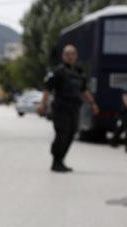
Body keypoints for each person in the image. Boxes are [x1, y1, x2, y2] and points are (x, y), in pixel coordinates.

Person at [37, 44, 100, 172]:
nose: (70, 56)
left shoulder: (79, 72)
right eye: (67, 54)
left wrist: (93, 104)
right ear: (63, 56)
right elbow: (48, 88)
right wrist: (43, 104)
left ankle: (61, 160)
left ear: (76, 56)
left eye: (73, 54)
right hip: (61, 108)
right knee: (62, 134)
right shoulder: (58, 71)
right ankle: (56, 161)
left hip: (74, 108)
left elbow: (84, 90)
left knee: (71, 133)